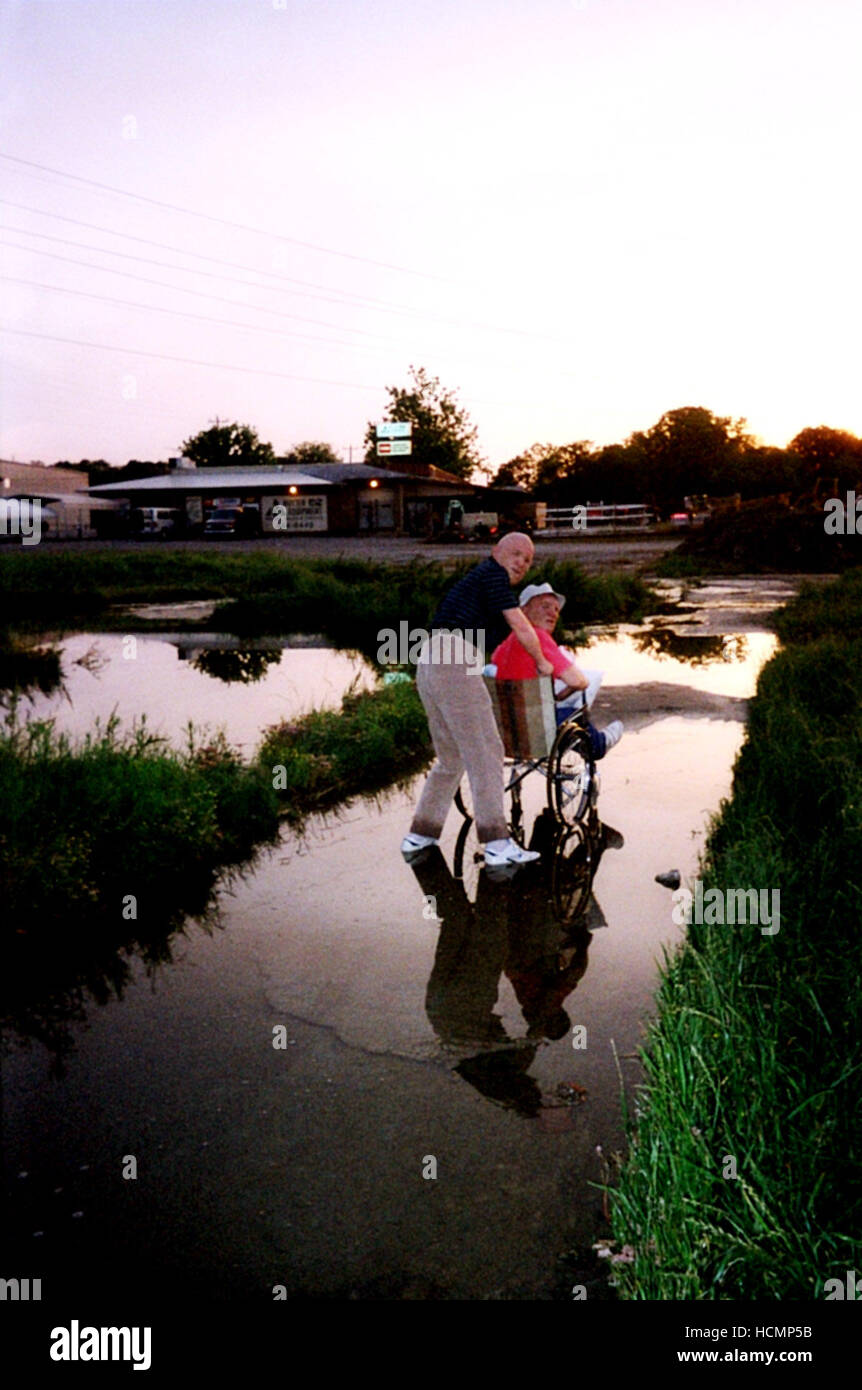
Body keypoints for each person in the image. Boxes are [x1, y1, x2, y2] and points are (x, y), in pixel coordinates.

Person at [401, 533, 552, 866]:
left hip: (429, 660)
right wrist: (543, 662)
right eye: (515, 554)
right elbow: (521, 628)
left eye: (527, 560)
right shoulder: (492, 575)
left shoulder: (482, 584)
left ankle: (420, 833)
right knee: (487, 751)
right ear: (495, 552)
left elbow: (505, 637)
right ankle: (497, 843)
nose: (521, 563)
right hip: (453, 660)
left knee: (451, 757)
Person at [491, 582, 623, 760]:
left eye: (555, 609)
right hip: (537, 734)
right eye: (545, 606)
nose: (552, 613)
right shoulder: (538, 637)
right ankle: (599, 744)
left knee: (553, 710)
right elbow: (579, 681)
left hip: (507, 732)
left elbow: (495, 665)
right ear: (523, 611)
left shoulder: (507, 643)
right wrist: (565, 693)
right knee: (573, 711)